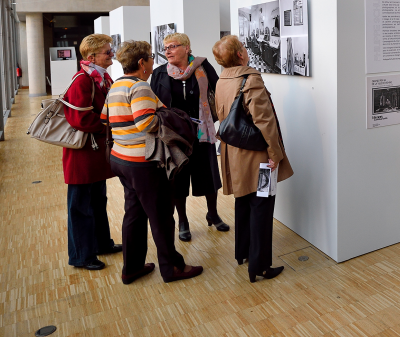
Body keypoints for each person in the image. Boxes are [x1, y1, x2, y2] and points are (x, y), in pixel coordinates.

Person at [102, 40, 203, 284]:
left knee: (134, 214)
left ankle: (132, 268)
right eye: (149, 57)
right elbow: (146, 123)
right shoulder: (139, 87)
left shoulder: (116, 86)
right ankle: (172, 268)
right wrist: (167, 117)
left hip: (121, 159)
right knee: (161, 217)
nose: (152, 61)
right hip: (143, 162)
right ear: (141, 63)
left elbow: (105, 119)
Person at [213, 35, 294, 283]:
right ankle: (259, 266)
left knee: (243, 201)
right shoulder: (251, 79)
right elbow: (265, 121)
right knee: (262, 206)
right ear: (240, 54)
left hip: (233, 154)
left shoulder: (222, 80)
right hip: (259, 158)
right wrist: (275, 155)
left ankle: (243, 254)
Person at [150, 33, 227, 242]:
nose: (167, 51)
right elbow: (153, 103)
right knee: (178, 180)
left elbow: (219, 92)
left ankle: (213, 213)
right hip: (175, 136)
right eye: (165, 47)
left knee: (209, 176)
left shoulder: (203, 67)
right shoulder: (159, 74)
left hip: (202, 132)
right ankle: (183, 221)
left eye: (173, 46)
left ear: (187, 48)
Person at [62, 34, 121, 271]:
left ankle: (101, 244)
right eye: (108, 52)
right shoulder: (82, 80)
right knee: (80, 206)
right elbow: (80, 119)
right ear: (91, 57)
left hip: (93, 153)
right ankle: (81, 256)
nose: (112, 55)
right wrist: (110, 125)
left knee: (97, 201)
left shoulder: (100, 78)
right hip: (82, 155)